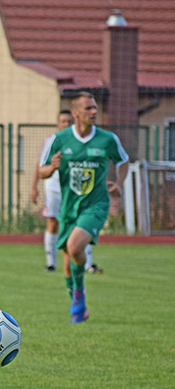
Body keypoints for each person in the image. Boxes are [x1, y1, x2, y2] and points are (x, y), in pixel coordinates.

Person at [39, 92, 128, 323]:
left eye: (95, 107)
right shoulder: (60, 140)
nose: (94, 112)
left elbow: (123, 161)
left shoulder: (107, 139)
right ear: (76, 113)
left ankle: (79, 294)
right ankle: (78, 302)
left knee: (74, 245)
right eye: (88, 108)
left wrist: (118, 183)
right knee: (68, 264)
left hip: (96, 205)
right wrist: (52, 167)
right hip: (69, 208)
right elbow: (42, 171)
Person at [32, 110, 101, 274]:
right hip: (53, 187)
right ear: (57, 124)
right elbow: (40, 165)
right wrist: (34, 187)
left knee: (81, 222)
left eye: (68, 121)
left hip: (75, 187)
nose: (66, 124)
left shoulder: (81, 141)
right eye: (62, 121)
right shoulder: (51, 141)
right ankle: (51, 263)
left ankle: (88, 263)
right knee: (53, 222)